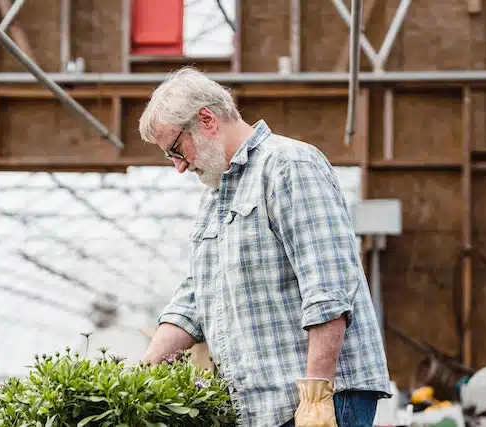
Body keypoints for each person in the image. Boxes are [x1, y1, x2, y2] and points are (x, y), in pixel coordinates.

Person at [138, 66, 392, 427]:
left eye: (176, 150)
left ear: (207, 120)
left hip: (320, 400)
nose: (179, 167)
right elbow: (196, 294)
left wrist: (316, 395)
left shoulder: (288, 165)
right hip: (264, 409)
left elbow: (328, 286)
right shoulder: (216, 198)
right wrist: (143, 372)